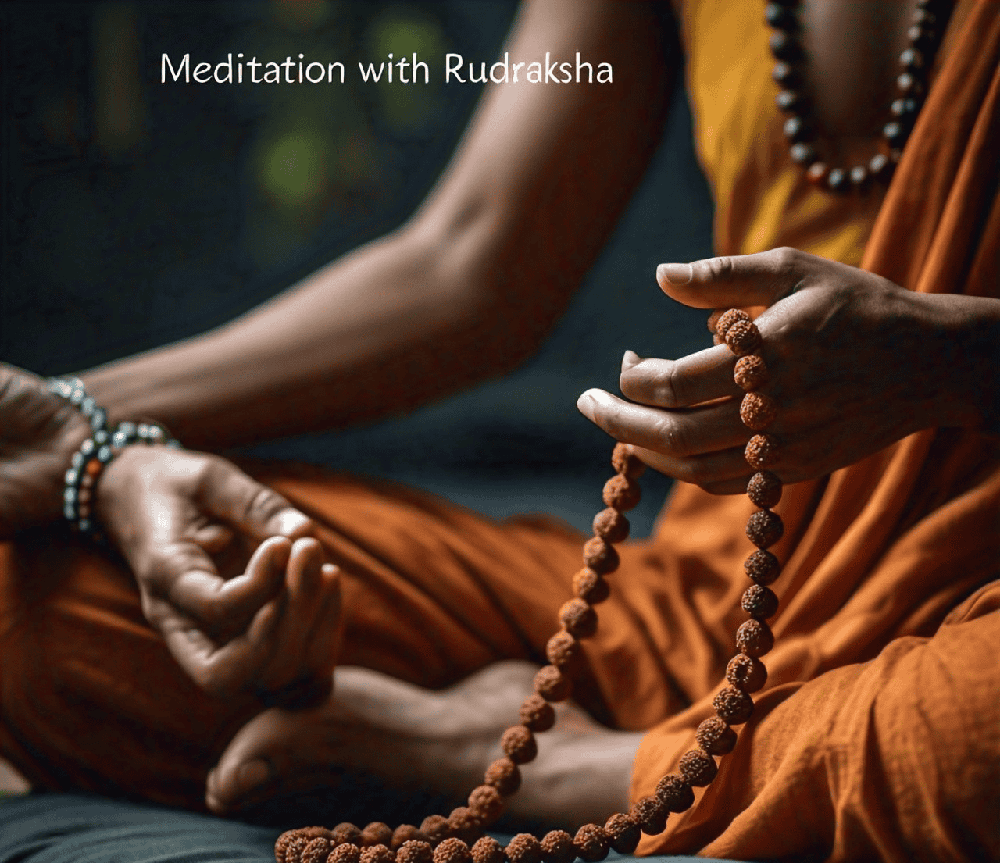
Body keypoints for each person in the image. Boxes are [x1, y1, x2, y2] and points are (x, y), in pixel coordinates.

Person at [2, 1, 999, 861]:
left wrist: (947, 354)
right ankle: (730, 749)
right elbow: (471, 262)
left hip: (979, 609)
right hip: (718, 600)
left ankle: (554, 763)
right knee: (34, 599)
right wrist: (83, 430)